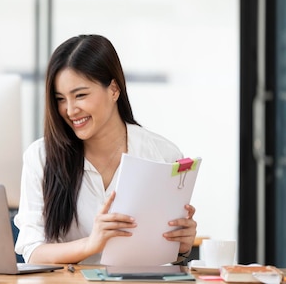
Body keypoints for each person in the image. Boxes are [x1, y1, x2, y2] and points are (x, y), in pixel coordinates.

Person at [13, 34, 197, 265]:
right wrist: (91, 244)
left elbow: (168, 260)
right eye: (61, 99)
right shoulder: (41, 157)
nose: (70, 110)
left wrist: (180, 247)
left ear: (113, 90)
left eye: (80, 95)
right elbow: (32, 251)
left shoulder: (163, 156)